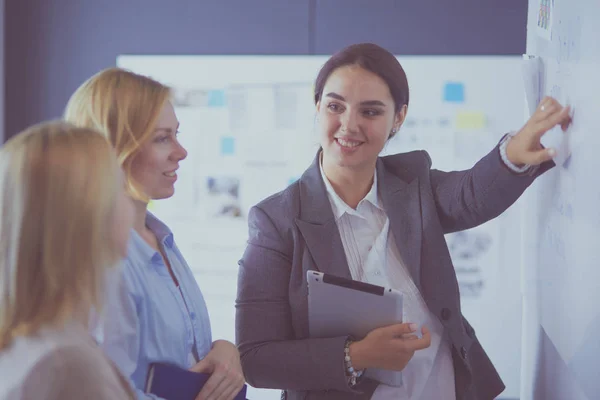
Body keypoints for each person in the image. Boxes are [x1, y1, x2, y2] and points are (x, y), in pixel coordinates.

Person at [235, 43, 572, 400]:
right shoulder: (275, 221)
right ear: (317, 107)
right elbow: (257, 359)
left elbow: (470, 196)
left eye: (371, 111)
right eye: (335, 106)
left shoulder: (413, 184)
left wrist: (512, 155)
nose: (349, 125)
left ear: (398, 118)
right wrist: (357, 355)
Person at [64, 68, 245, 400]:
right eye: (163, 138)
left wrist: (222, 350)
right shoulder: (99, 258)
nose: (181, 151)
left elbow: (179, 358)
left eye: (176, 134)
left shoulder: (162, 241)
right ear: (113, 146)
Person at [0, 121, 135, 399]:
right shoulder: (68, 367)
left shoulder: (27, 344)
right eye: (121, 189)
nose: (130, 204)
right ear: (88, 215)